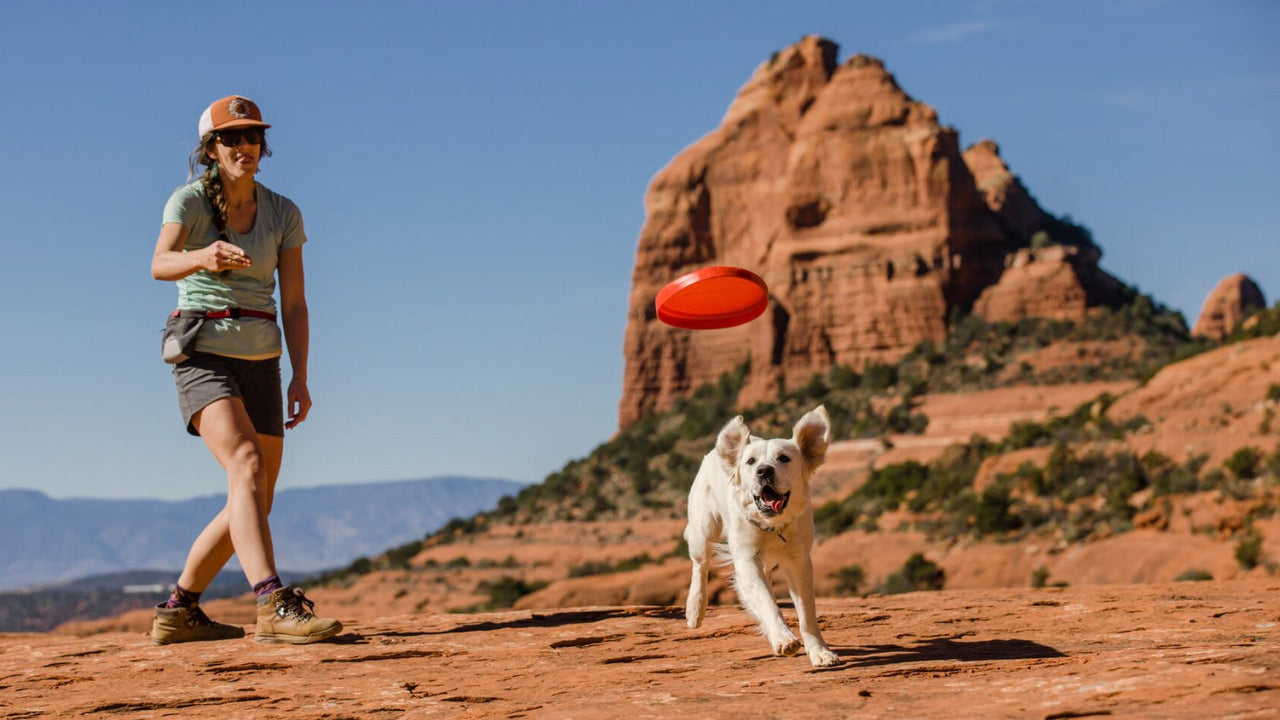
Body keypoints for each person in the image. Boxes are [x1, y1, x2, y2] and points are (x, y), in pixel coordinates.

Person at [149, 95, 341, 645]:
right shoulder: (188, 203)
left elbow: (297, 303)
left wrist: (300, 375)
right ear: (210, 148)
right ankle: (273, 604)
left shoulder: (283, 212)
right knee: (247, 463)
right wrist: (201, 256)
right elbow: (159, 263)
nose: (245, 147)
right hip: (202, 351)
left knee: (253, 497)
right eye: (232, 138)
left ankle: (178, 609)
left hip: (264, 358)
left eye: (253, 136)